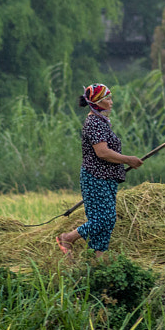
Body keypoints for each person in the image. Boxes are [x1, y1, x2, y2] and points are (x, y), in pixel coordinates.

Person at [57, 83, 143, 256]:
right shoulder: (94, 123)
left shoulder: (102, 122)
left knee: (107, 222)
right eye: (108, 99)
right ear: (97, 102)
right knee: (104, 219)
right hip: (96, 177)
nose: (111, 102)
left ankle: (99, 262)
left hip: (107, 178)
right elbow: (102, 153)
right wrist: (128, 160)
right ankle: (68, 238)